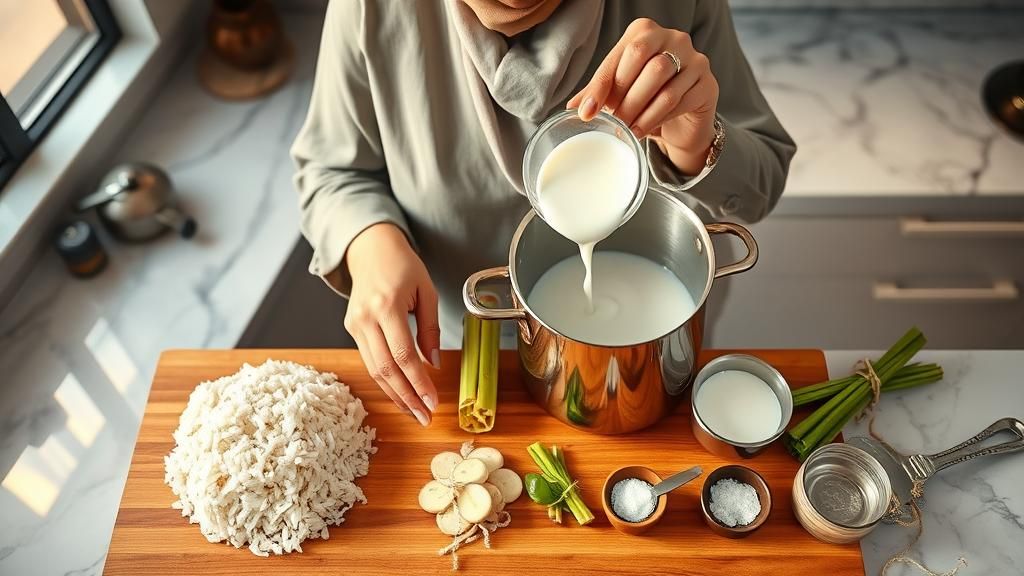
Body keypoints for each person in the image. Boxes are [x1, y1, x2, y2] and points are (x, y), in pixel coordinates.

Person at [291, 0, 796, 427]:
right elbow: (331, 171)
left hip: (656, 353)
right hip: (453, 346)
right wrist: (370, 242)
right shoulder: (371, 9)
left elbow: (763, 180)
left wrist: (698, 142)